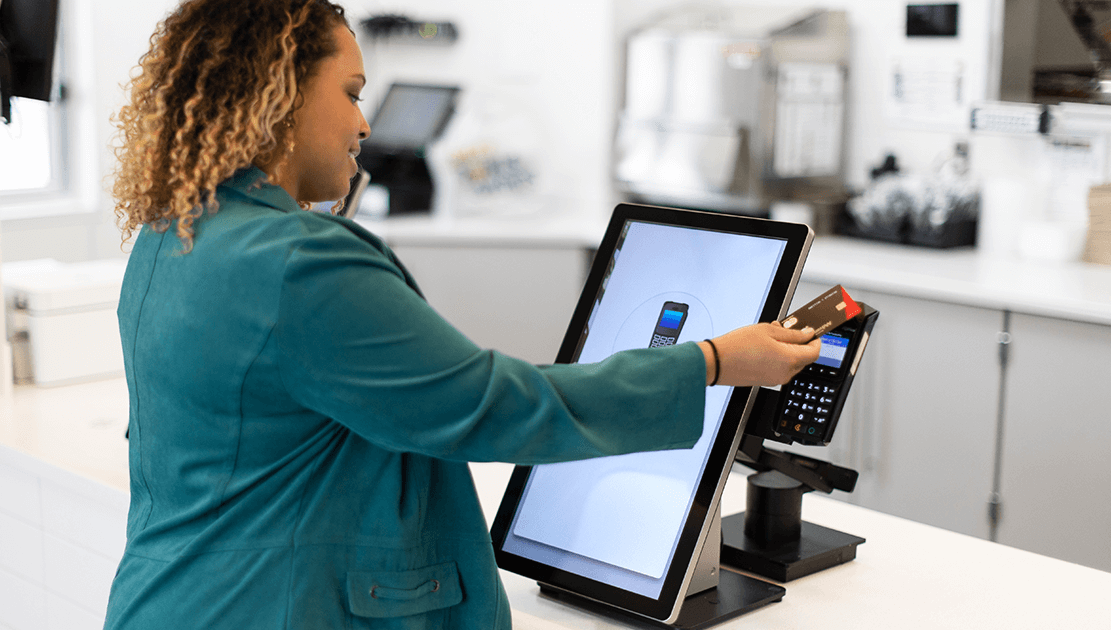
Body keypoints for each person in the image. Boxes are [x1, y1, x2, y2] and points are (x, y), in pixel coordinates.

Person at [104, 1, 822, 628]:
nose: (363, 122)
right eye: (351, 94)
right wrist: (715, 362)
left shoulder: (173, 234)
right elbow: (487, 404)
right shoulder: (296, 262)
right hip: (269, 609)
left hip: (169, 599)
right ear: (279, 94)